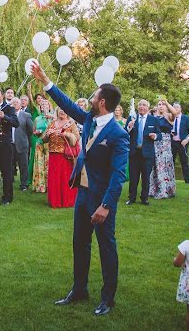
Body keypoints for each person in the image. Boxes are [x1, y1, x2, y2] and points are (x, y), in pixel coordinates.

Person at [30, 61, 127, 316]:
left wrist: (106, 206)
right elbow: (68, 104)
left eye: (95, 95)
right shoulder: (89, 119)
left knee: (106, 247)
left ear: (102, 101)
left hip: (101, 200)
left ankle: (108, 298)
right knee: (79, 243)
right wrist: (45, 80)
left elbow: (119, 175)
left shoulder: (118, 134)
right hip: (82, 194)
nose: (91, 98)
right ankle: (79, 289)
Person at [125, 99, 163, 205]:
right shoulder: (132, 118)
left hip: (147, 153)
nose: (142, 107)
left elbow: (159, 135)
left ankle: (144, 198)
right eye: (140, 105)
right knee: (133, 177)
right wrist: (129, 127)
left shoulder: (153, 120)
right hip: (134, 152)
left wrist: (155, 136)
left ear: (148, 108)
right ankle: (131, 198)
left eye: (144, 105)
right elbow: (125, 132)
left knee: (146, 177)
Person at [43, 108, 80, 208]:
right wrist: (47, 134)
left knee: (65, 178)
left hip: (66, 156)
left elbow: (76, 139)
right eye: (60, 110)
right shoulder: (52, 123)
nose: (62, 112)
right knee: (54, 178)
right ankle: (55, 201)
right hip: (53, 155)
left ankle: (67, 201)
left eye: (64, 110)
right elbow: (44, 139)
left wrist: (65, 134)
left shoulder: (71, 124)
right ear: (57, 111)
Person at [149, 100, 176, 199]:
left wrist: (167, 103)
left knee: (164, 166)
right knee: (154, 165)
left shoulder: (168, 116)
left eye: (163, 105)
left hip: (165, 143)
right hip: (155, 142)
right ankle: (153, 189)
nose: (161, 106)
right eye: (159, 104)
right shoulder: (153, 117)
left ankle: (165, 190)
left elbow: (175, 113)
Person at [30, 93, 51, 192]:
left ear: (49, 106)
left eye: (46, 105)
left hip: (50, 144)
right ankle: (40, 186)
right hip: (39, 143)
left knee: (49, 164)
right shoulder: (37, 119)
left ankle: (49, 185)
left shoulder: (53, 118)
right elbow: (33, 132)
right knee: (40, 164)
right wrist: (36, 133)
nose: (44, 107)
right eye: (42, 105)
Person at [12, 97, 33, 191]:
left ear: (20, 105)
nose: (15, 104)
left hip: (22, 143)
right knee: (8, 165)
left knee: (23, 165)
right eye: (13, 102)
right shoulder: (7, 114)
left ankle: (24, 184)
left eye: (17, 102)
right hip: (9, 144)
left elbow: (30, 130)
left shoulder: (26, 115)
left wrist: (24, 138)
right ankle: (8, 182)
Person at [168, 102, 189, 184]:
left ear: (181, 109)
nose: (175, 108)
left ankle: (187, 180)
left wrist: (187, 139)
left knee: (184, 162)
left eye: (177, 107)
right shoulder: (170, 117)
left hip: (182, 143)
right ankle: (170, 180)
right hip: (172, 142)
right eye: (174, 107)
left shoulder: (185, 118)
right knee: (171, 161)